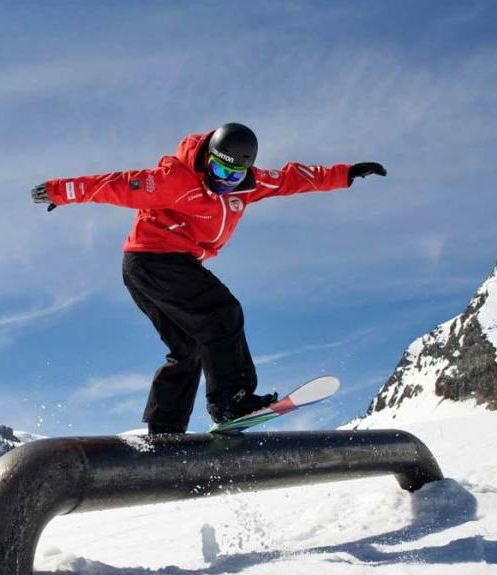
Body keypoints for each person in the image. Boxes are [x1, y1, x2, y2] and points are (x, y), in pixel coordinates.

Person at [31, 123, 385, 434]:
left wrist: (345, 174)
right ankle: (233, 401)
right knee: (222, 312)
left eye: (233, 176)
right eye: (217, 170)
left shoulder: (251, 184)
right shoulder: (175, 179)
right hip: (154, 260)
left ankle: (165, 430)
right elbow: (119, 185)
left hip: (157, 267)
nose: (223, 181)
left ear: (246, 170)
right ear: (208, 159)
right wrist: (63, 191)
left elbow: (292, 178)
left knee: (188, 349)